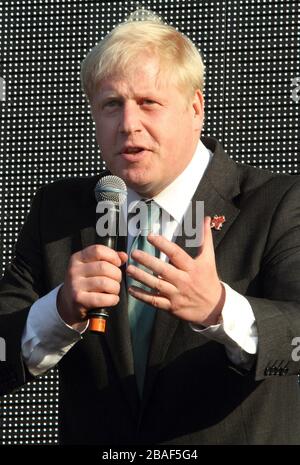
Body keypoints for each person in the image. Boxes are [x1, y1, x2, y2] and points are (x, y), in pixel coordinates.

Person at [1, 9, 300, 445]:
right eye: (110, 105)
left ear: (195, 108)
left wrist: (219, 308)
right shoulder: (60, 213)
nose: (128, 124)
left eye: (148, 103)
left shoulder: (277, 203)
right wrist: (60, 310)